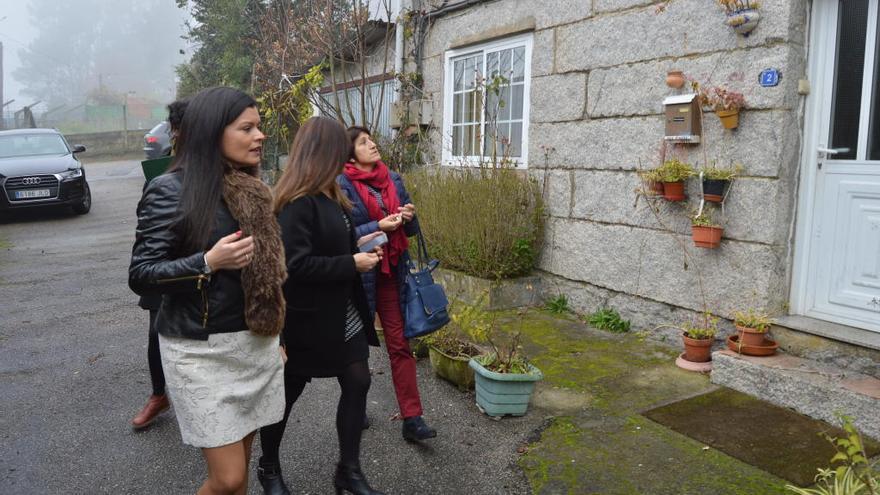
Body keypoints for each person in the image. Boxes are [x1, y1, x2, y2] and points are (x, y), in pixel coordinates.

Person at [129, 86, 287, 495]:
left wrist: (276, 335)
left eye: (259, 127)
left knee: (239, 478)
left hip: (254, 347)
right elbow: (142, 274)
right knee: (228, 478)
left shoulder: (252, 189)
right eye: (247, 128)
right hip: (200, 352)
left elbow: (268, 275)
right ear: (212, 132)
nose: (260, 136)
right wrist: (206, 263)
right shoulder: (169, 189)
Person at [257, 116, 385, 495]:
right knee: (288, 392)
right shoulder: (296, 202)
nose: (346, 156)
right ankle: (269, 467)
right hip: (306, 319)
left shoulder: (332, 193)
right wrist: (351, 263)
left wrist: (361, 246)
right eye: (341, 150)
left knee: (358, 379)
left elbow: (333, 247)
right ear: (324, 152)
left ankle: (349, 472)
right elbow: (294, 266)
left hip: (341, 311)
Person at [337, 126, 437, 442]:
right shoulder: (341, 184)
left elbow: (409, 232)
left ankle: (412, 418)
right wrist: (377, 225)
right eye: (364, 142)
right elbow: (343, 233)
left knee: (399, 344)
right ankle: (356, 405)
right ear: (350, 153)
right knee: (355, 346)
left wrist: (409, 215)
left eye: (372, 139)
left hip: (392, 273)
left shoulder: (392, 179)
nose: (373, 144)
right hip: (359, 276)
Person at [131, 98, 189, 430]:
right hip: (162, 265)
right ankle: (158, 395)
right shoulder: (160, 174)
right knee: (157, 333)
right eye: (177, 129)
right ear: (174, 132)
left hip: (203, 269)